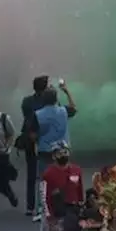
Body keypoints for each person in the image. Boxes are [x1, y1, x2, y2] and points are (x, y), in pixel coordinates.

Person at [40, 142, 86, 231]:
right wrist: (49, 219)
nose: (63, 155)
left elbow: (80, 193)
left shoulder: (76, 170)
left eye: (65, 151)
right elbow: (43, 197)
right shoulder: (48, 174)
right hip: (55, 215)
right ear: (53, 156)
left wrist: (82, 213)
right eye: (59, 153)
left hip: (72, 214)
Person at [34, 80, 77, 222]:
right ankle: (67, 205)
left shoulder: (38, 114)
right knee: (63, 178)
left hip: (45, 150)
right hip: (62, 150)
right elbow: (73, 107)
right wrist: (66, 90)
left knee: (44, 180)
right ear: (56, 99)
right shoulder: (63, 111)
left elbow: (34, 133)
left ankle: (42, 208)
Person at [20, 75, 50, 220]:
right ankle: (42, 206)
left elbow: (27, 119)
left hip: (30, 139)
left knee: (31, 174)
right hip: (41, 140)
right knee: (43, 174)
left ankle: (30, 206)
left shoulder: (27, 101)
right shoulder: (47, 104)